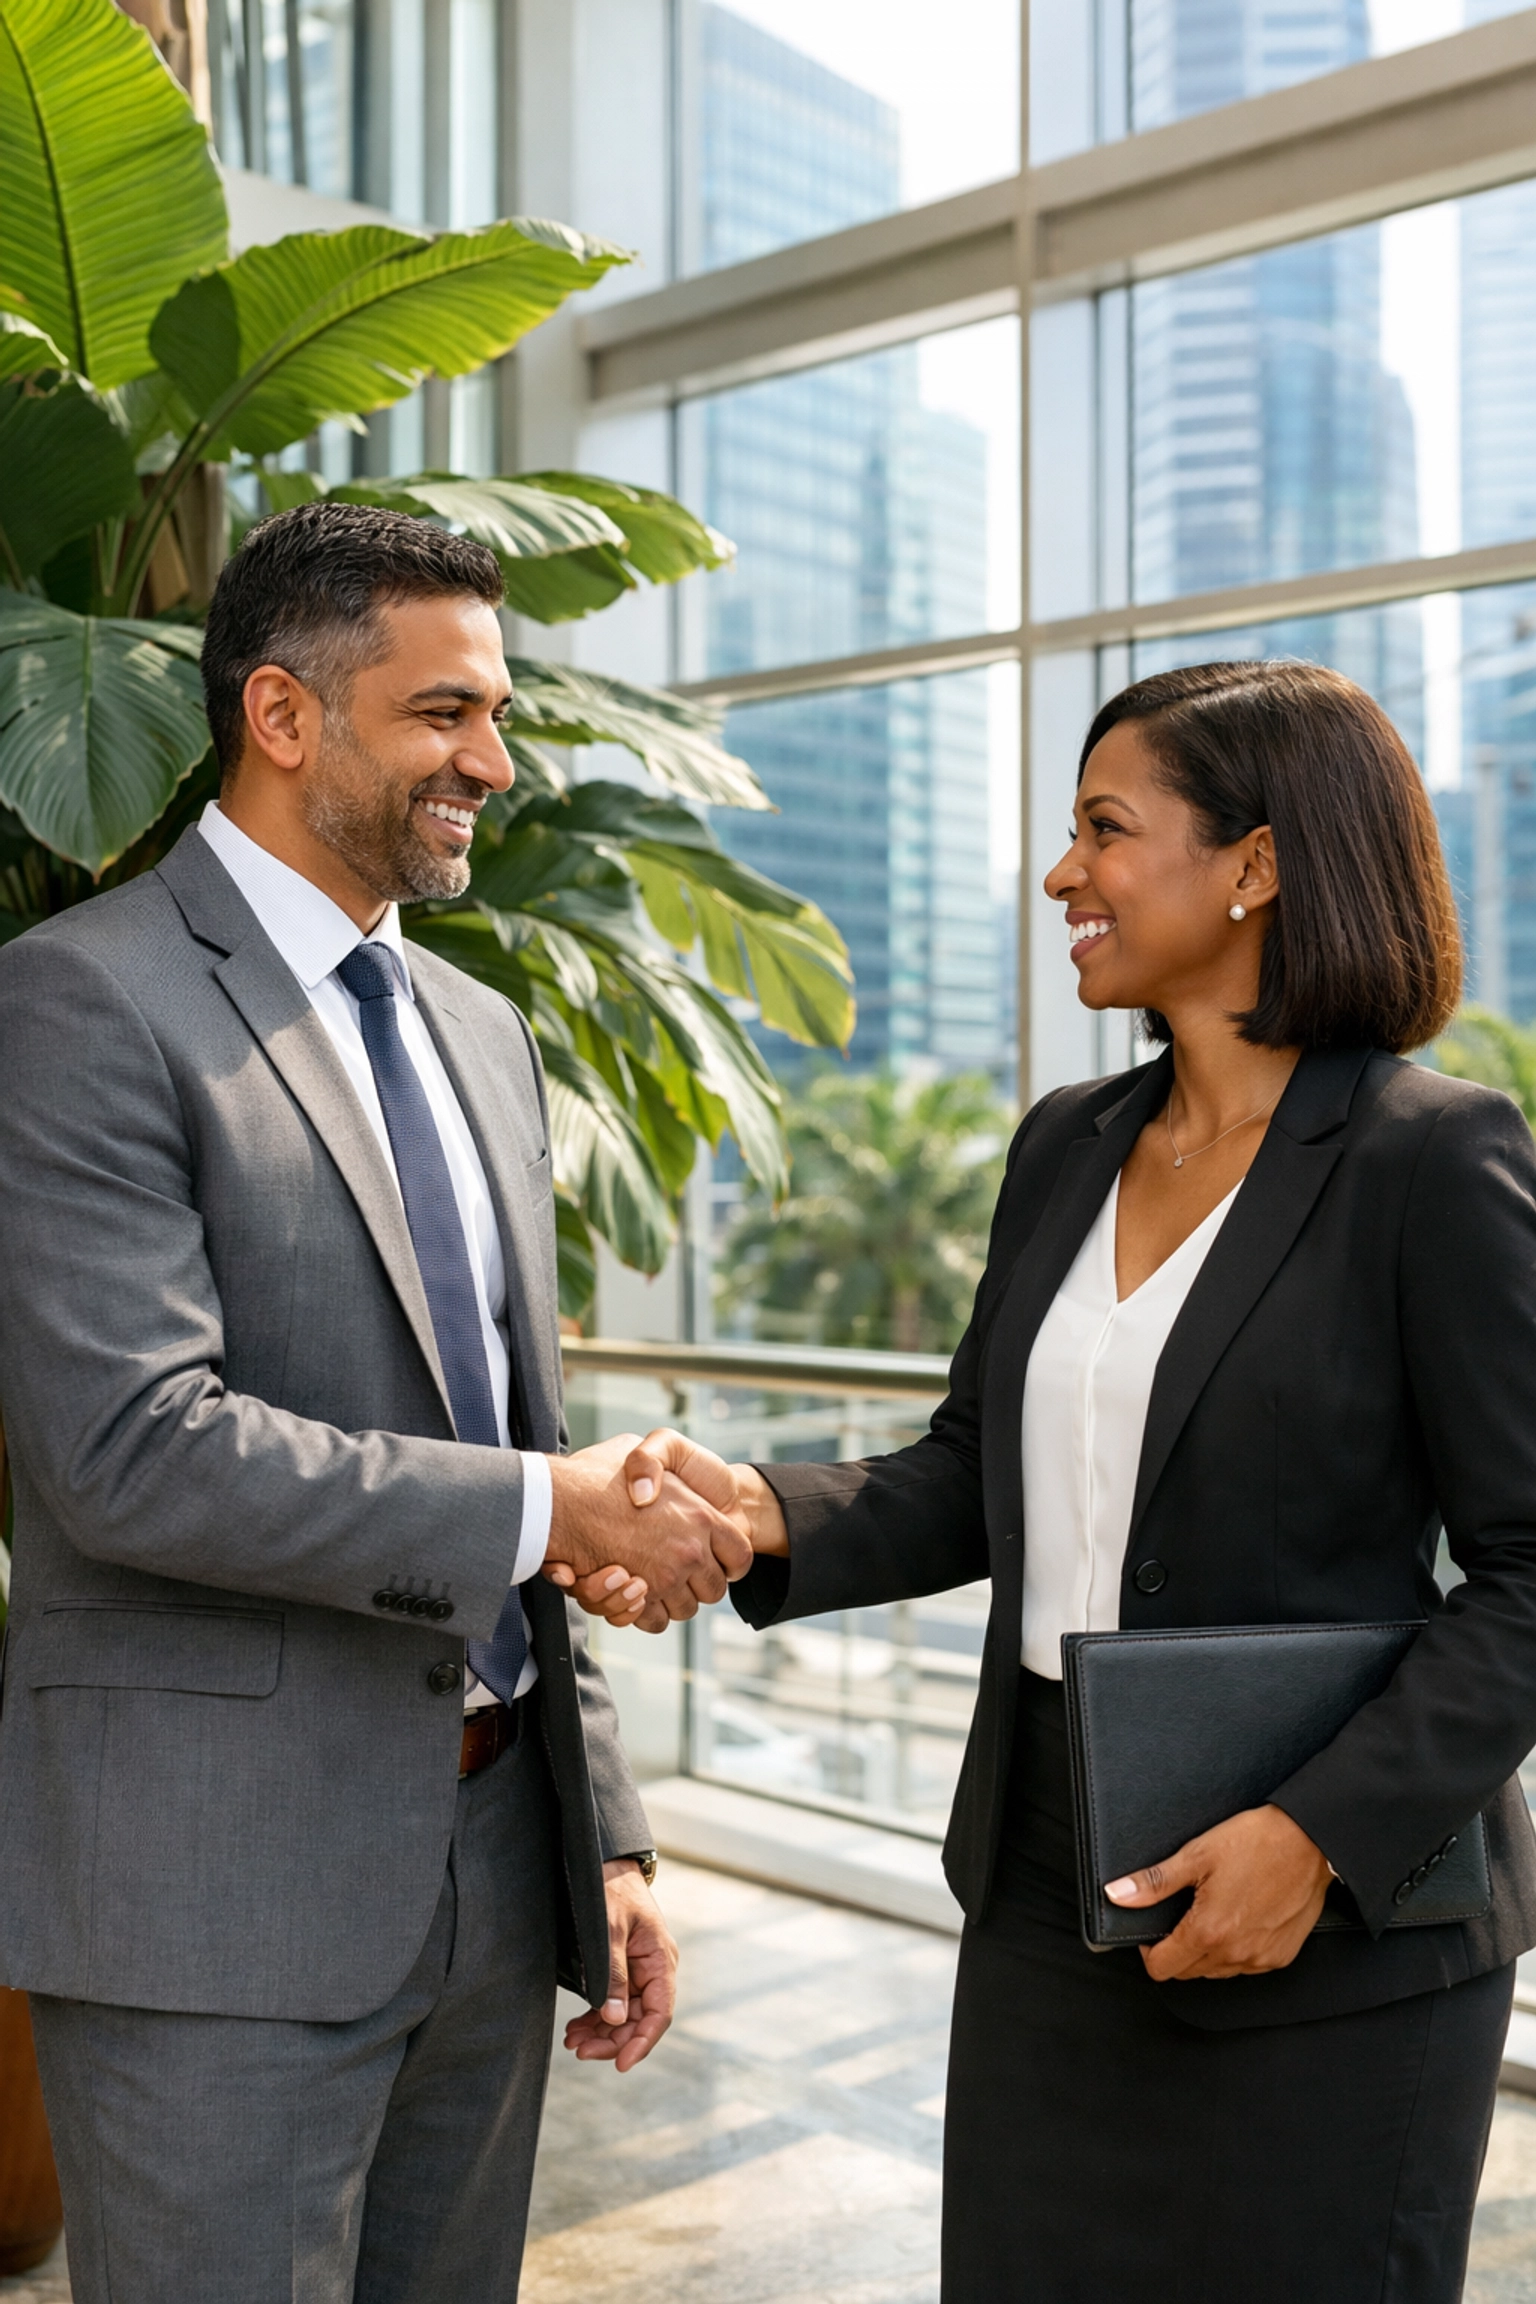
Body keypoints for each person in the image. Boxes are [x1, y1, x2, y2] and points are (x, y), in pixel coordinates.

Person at [571, 660, 1536, 2301]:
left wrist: (1313, 1833)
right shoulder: (1067, 1143)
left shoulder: (1431, 1159)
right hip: (1042, 1878)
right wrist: (751, 1517)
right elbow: (972, 1472)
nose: (1059, 875)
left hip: (1329, 1917)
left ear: (1258, 863)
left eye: (1105, 827)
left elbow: (1527, 1570)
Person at [0, 501, 751, 2304]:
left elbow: (513, 1423)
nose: (492, 760)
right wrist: (552, 1508)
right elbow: (129, 1453)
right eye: (444, 715)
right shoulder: (77, 1001)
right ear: (281, 716)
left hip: (491, 1871)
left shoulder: (479, 1030)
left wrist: (610, 1834)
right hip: (214, 1901)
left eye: (495, 715)